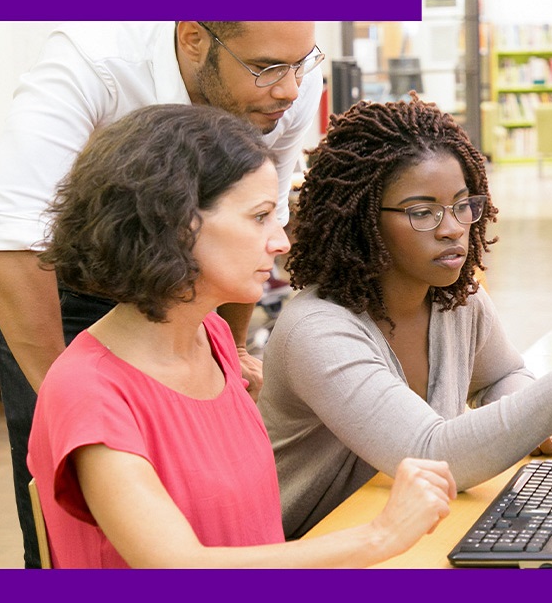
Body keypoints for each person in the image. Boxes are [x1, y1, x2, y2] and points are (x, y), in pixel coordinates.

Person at [258, 96, 552, 539]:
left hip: (400, 528)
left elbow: (503, 373)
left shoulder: (453, 298)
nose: (452, 228)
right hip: (311, 553)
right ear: (361, 220)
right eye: (423, 212)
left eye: (463, 205)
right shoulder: (317, 331)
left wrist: (532, 418)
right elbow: (433, 457)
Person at [27, 103, 455, 568]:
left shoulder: (210, 338)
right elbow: (179, 569)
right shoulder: (87, 391)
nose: (281, 241)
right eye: (260, 217)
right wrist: (380, 536)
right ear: (175, 223)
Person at [0, 21, 324, 568]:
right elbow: (10, 239)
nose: (291, 89)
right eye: (267, 68)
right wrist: (74, 407)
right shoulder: (93, 61)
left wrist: (223, 359)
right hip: (60, 287)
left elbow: (258, 223)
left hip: (197, 290)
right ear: (193, 38)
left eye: (302, 64)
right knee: (87, 514)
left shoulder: (282, 84)